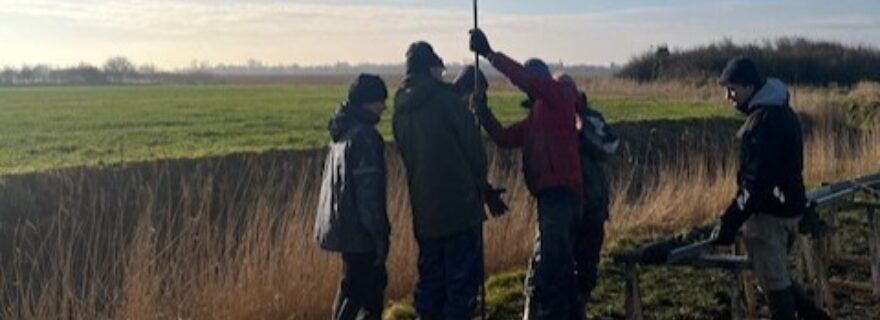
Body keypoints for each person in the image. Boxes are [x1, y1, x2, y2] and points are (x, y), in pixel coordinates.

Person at [469, 29, 583, 320]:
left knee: (551, 269)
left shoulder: (560, 97)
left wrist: (491, 55)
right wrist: (482, 111)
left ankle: (551, 314)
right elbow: (505, 138)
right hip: (551, 199)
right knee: (560, 267)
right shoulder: (537, 117)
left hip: (561, 197)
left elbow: (527, 79)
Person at [711, 57, 831, 320]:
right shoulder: (784, 112)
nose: (728, 96)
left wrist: (730, 220)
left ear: (750, 86)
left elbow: (755, 183)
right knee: (779, 278)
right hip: (789, 210)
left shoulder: (760, 124)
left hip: (768, 217)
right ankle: (816, 317)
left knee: (776, 290)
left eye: (733, 89)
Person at [392, 41, 489, 320]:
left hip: (424, 212)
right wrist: (480, 183)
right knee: (461, 285)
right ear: (431, 69)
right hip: (459, 208)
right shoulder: (447, 101)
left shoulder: (399, 109)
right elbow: (475, 153)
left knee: (430, 285)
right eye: (439, 68)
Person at [314, 74, 391, 320]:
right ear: (368, 102)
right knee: (367, 300)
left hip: (345, 231)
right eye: (380, 100)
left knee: (349, 292)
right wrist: (380, 239)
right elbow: (368, 194)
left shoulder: (341, 133)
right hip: (362, 235)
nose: (384, 107)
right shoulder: (366, 137)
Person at [557, 74, 620, 319]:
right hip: (564, 207)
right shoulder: (549, 115)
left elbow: (610, 145)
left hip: (590, 206)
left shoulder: (590, 118)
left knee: (585, 270)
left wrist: (580, 131)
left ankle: (578, 310)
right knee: (560, 270)